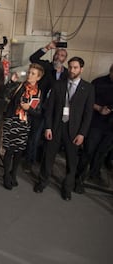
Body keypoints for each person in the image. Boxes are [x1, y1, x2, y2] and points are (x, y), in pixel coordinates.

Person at [34, 57, 94, 201]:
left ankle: (67, 188)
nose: (72, 70)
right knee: (48, 156)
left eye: (75, 68)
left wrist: (82, 134)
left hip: (74, 130)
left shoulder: (88, 88)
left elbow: (88, 114)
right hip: (56, 126)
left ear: (81, 69)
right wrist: (48, 127)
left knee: (71, 161)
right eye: (71, 67)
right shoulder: (58, 85)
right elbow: (49, 109)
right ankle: (43, 181)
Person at [26, 40, 69, 172]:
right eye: (57, 54)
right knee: (34, 136)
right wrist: (47, 47)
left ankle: (42, 160)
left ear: (65, 59)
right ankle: (29, 161)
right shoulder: (46, 66)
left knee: (50, 138)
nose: (58, 57)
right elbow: (33, 58)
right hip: (41, 108)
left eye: (61, 55)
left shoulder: (66, 73)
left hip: (56, 111)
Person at [2, 63, 44, 190]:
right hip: (12, 120)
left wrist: (29, 108)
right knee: (9, 150)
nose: (29, 75)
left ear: (38, 77)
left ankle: (13, 174)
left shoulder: (38, 92)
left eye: (33, 74)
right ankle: (6, 176)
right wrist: (11, 81)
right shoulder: (19, 85)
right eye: (29, 72)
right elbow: (4, 94)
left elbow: (39, 112)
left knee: (19, 150)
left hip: (25, 123)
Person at [76, 63, 113, 189]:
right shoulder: (98, 82)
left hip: (111, 127)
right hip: (96, 123)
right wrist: (99, 108)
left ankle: (94, 173)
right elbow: (87, 101)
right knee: (88, 151)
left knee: (102, 152)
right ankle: (78, 178)